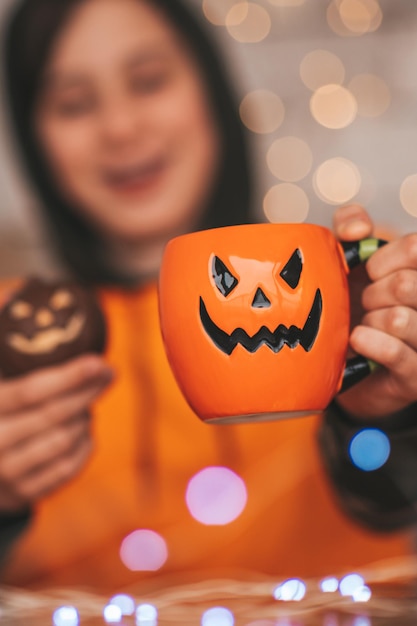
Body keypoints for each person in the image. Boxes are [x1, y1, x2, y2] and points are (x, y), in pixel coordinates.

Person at [0, 0, 416, 594]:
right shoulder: (16, 337)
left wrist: (386, 418)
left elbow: (394, 502)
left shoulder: (352, 295)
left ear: (212, 91)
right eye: (74, 104)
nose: (120, 127)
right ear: (34, 139)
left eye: (148, 81)